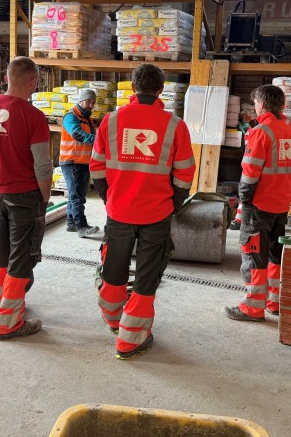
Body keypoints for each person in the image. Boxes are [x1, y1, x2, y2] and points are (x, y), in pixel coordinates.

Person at [90, 63, 196, 360]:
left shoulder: (110, 121)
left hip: (119, 211)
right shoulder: (175, 125)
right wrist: (174, 203)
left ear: (133, 87)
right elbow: (185, 172)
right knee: (147, 276)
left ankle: (113, 319)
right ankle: (130, 340)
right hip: (156, 214)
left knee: (114, 269)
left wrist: (109, 197)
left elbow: (96, 166)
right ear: (161, 89)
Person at [0, 56, 53, 341]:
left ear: (6, 78)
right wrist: (45, 196)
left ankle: (7, 302)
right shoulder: (33, 116)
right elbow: (42, 165)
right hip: (24, 196)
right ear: (33, 82)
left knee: (0, 252)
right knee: (22, 257)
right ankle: (8, 322)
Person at [224, 85, 291, 322]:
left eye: (256, 103)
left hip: (259, 204)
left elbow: (250, 172)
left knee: (254, 255)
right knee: (275, 254)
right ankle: (273, 302)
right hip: (281, 204)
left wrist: (244, 200)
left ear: (263, 104)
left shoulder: (261, 132)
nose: (255, 107)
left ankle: (253, 307)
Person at [60, 88, 100, 238]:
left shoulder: (87, 119)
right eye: (88, 101)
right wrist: (98, 139)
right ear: (81, 100)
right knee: (77, 196)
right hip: (71, 161)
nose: (91, 105)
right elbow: (76, 134)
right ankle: (81, 226)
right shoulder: (71, 117)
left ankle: (71, 223)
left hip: (83, 161)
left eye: (93, 103)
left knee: (75, 194)